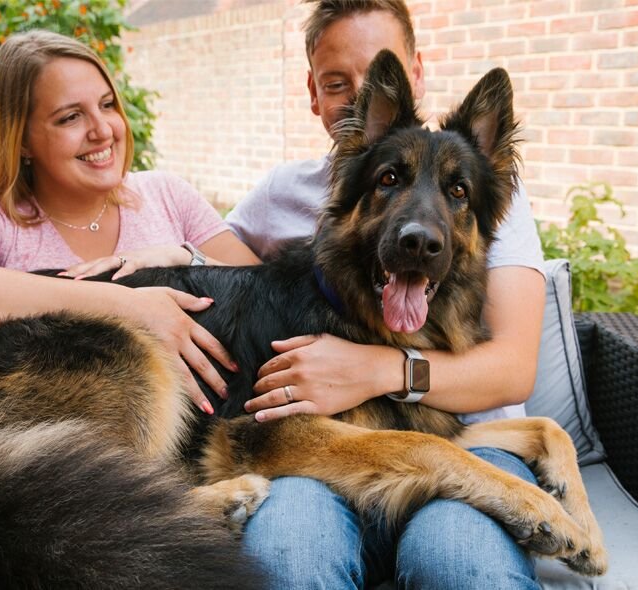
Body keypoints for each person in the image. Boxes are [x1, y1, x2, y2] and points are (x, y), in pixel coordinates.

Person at [226, 1, 547, 588]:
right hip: (341, 451)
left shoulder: (478, 183)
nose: (355, 99)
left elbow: (513, 368)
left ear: (413, 72)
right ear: (313, 91)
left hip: (473, 440)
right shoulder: (283, 190)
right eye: (336, 83)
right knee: (290, 555)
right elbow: (231, 271)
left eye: (376, 74)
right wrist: (162, 259)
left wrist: (378, 369)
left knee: (459, 560)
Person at [0, 30, 260, 422]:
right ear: (21, 138)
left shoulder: (167, 195)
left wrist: (187, 258)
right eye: (70, 117)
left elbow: (265, 291)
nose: (103, 130)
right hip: (73, 443)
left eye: (107, 105)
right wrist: (127, 304)